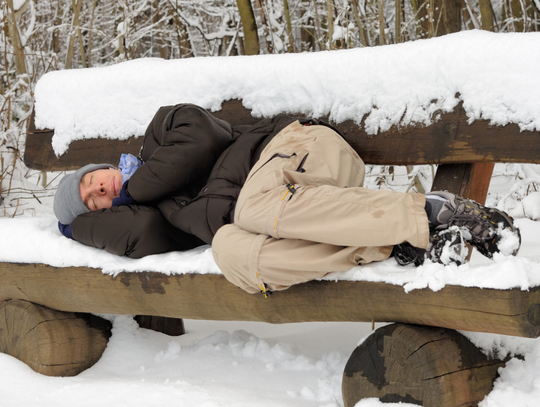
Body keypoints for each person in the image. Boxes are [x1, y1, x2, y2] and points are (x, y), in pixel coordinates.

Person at [53, 104, 521, 295]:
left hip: (301, 151)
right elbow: (139, 234)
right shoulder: (159, 214)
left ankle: (429, 211)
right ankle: (391, 243)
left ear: (102, 168)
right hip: (301, 213)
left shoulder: (160, 134)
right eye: (92, 204)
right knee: (234, 254)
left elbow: (198, 140)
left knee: (249, 210)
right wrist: (75, 226)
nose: (98, 192)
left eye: (92, 182)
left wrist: (133, 190)